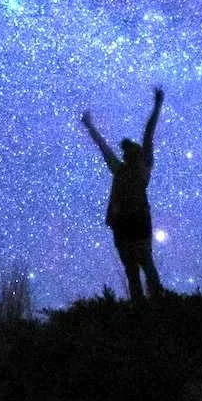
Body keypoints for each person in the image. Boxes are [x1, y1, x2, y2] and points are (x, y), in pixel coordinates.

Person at [81, 86, 164, 301]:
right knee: (133, 269)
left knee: (143, 262)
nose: (126, 153)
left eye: (128, 151)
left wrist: (157, 106)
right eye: (126, 151)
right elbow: (104, 147)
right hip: (123, 221)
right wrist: (90, 127)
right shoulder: (123, 168)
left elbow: (148, 132)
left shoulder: (141, 165)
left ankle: (156, 303)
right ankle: (145, 306)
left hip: (133, 219)